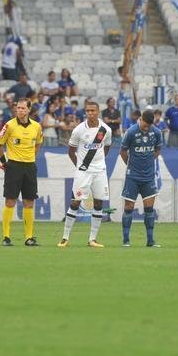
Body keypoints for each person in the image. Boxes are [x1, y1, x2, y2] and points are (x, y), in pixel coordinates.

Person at [60, 100, 112, 248]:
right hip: (83, 172)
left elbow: (107, 147)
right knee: (76, 202)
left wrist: (99, 162)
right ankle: (65, 238)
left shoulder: (105, 129)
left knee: (98, 203)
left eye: (92, 111)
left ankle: (92, 239)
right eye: (87, 111)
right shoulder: (79, 130)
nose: (90, 113)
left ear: (98, 112)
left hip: (100, 171)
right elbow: (71, 151)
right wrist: (80, 166)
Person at [0, 97, 44, 246]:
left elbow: (39, 143)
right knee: (10, 201)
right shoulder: (9, 125)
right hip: (14, 166)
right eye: (18, 107)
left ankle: (28, 237)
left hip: (29, 167)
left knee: (29, 202)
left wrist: (31, 157)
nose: (20, 110)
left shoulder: (36, 126)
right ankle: (6, 237)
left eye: (23, 108)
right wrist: (5, 163)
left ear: (29, 109)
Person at [119, 109, 163, 248]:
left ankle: (150, 241)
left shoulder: (156, 132)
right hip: (133, 176)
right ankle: (126, 240)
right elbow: (123, 151)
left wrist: (148, 162)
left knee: (149, 209)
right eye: (145, 124)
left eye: (149, 125)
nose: (146, 127)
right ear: (141, 119)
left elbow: (157, 150)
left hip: (149, 177)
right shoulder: (131, 132)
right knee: (129, 207)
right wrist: (131, 165)